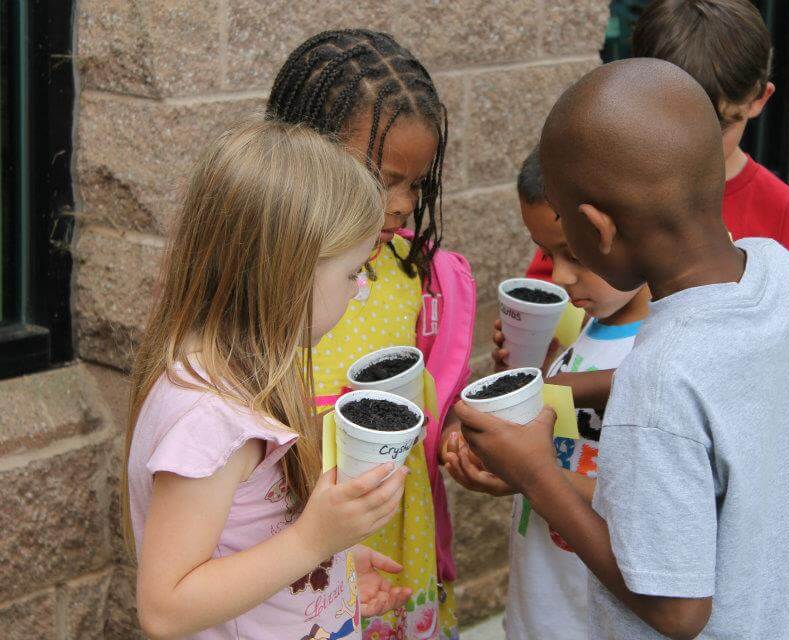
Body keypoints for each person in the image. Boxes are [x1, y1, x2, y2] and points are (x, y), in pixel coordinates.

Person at [457, 59, 789, 640]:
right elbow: (717, 386)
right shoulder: (772, 268)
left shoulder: (659, 379)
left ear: (597, 227)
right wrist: (561, 388)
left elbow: (677, 610)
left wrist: (535, 473)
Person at [124, 120, 412, 640]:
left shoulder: (239, 382)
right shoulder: (211, 420)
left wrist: (329, 569)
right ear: (290, 274)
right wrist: (312, 542)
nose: (362, 290)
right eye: (352, 273)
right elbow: (166, 608)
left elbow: (244, 539)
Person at [267, 29, 474, 639]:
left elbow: (433, 404)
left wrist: (458, 437)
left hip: (392, 558)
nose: (404, 204)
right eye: (380, 179)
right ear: (303, 155)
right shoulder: (261, 287)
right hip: (285, 572)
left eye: (415, 184)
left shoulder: (421, 278)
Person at [525, 0, 789, 354]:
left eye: (717, 126)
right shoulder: (597, 188)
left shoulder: (777, 206)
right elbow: (553, 286)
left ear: (759, 99)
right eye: (669, 129)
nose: (694, 146)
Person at [445, 146, 649, 639]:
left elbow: (646, 504)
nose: (557, 276)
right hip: (541, 611)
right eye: (545, 252)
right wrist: (515, 384)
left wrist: (527, 475)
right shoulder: (582, 329)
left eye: (575, 254)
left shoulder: (656, 359)